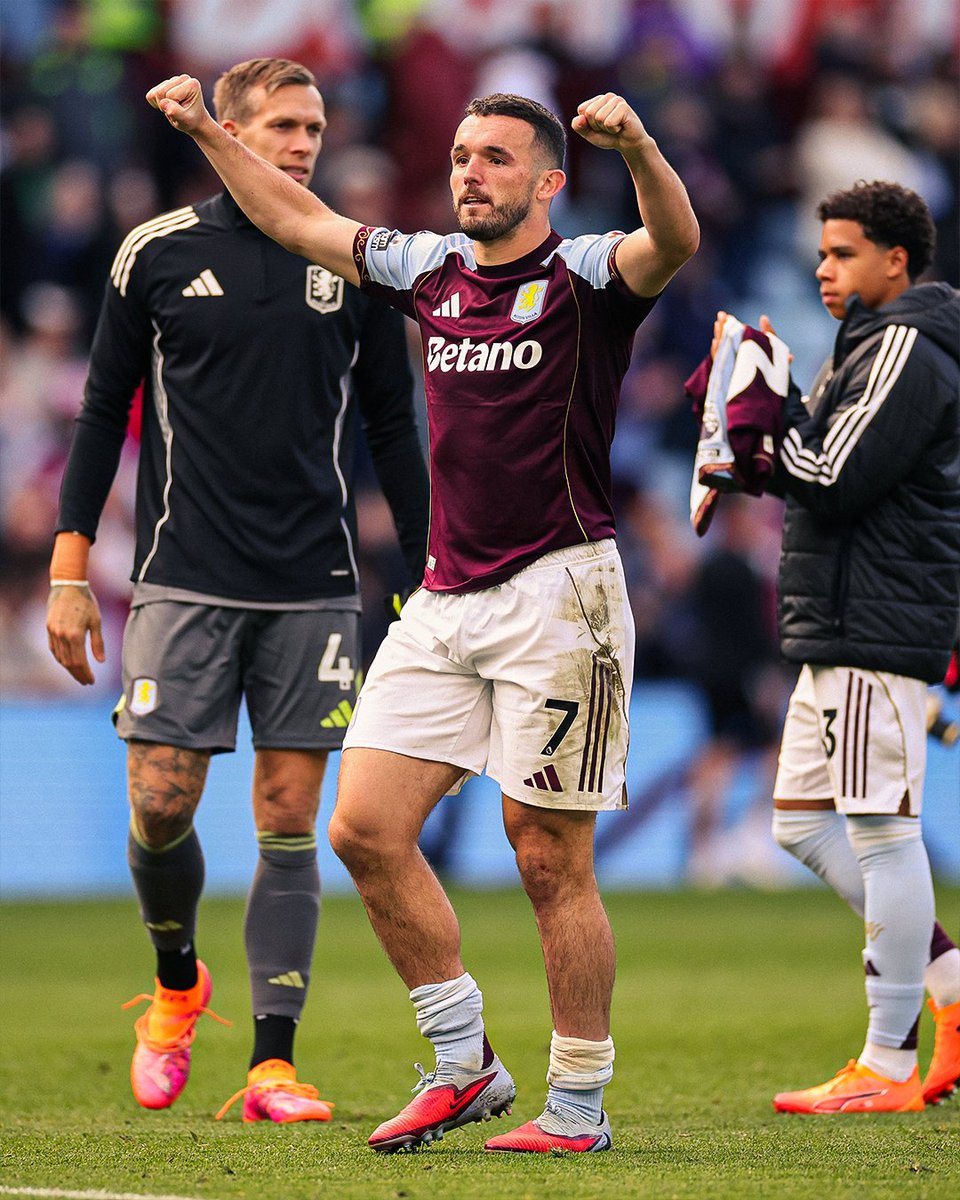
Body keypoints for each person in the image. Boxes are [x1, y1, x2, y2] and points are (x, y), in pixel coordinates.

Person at [145, 74, 698, 1151]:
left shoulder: (583, 272)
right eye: (458, 157)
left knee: (547, 857)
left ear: (548, 180)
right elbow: (296, 215)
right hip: (446, 593)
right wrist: (210, 131)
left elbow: (670, 240)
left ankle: (577, 1105)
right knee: (362, 828)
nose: (469, 174)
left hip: (562, 592)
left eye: (494, 158)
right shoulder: (430, 271)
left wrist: (638, 145)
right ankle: (465, 1063)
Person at [46, 58, 429, 1123]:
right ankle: (176, 986)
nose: (306, 143)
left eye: (315, 125)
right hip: (183, 576)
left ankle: (273, 1064)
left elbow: (396, 427)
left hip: (313, 584)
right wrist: (71, 567)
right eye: (286, 125)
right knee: (162, 805)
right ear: (232, 130)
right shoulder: (158, 253)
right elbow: (99, 411)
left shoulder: (356, 263)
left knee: (289, 815)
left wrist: (440, 570)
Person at [716, 181, 960, 1114]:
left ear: (895, 261)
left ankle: (886, 1065)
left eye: (843, 252)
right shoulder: (873, 341)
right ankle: (947, 989)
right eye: (820, 252)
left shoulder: (903, 342)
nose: (823, 268)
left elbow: (832, 473)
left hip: (875, 620)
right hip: (844, 620)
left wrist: (752, 428)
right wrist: (766, 413)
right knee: (801, 821)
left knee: (882, 830)